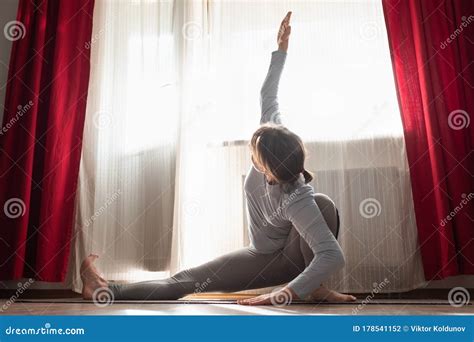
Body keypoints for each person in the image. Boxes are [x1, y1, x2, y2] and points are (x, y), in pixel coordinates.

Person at [81, 11, 356, 305]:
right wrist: (281, 50)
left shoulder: (296, 195)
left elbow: (331, 255)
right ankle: (103, 290)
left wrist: (280, 295)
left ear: (270, 171)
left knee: (323, 204)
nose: (251, 152)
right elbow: (268, 94)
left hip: (284, 262)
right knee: (185, 280)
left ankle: (313, 287)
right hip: (261, 252)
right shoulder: (273, 136)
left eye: (255, 155)